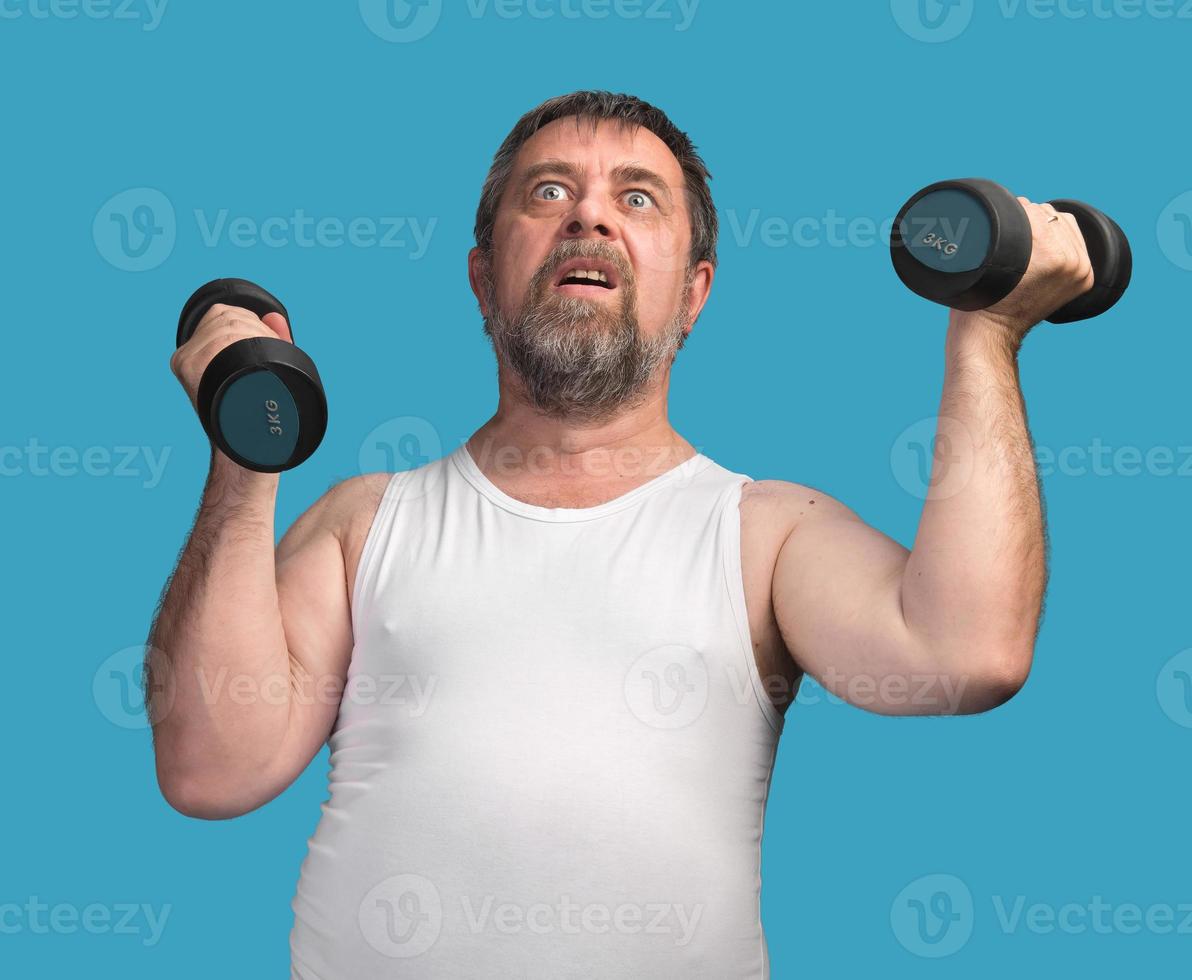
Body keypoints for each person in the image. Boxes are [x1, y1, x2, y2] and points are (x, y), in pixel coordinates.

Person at [147, 91, 1095, 978]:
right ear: (483, 279)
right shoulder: (366, 521)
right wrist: (245, 455)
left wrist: (988, 332)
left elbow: (967, 653)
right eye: (549, 190)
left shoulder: (764, 535)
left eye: (636, 198)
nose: (588, 217)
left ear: (694, 292)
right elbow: (211, 768)